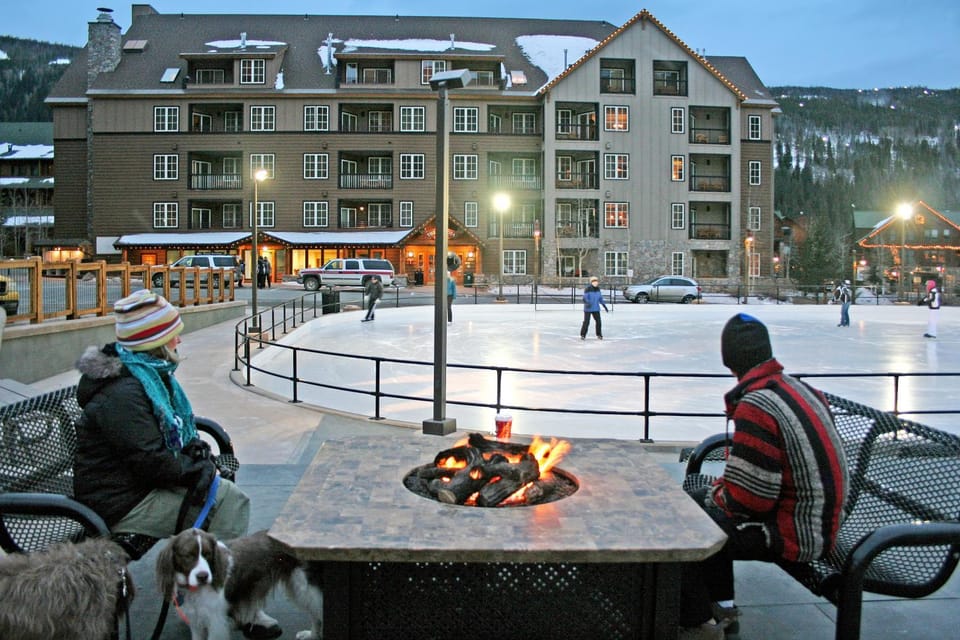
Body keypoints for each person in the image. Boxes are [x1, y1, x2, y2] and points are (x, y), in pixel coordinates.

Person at [679, 313, 848, 639]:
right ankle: (720, 605)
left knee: (686, 523)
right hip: (818, 519)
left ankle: (697, 623)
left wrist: (716, 494)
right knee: (694, 505)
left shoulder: (757, 404)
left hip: (797, 532)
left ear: (729, 359)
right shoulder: (796, 388)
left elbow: (751, 500)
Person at [73, 290, 251, 543]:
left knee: (225, 494)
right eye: (172, 335)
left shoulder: (143, 377)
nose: (178, 340)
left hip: (135, 486)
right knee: (229, 501)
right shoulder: (123, 393)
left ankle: (206, 569)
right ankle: (218, 576)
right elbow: (151, 459)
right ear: (153, 342)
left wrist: (196, 457)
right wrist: (198, 468)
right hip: (121, 503)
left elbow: (154, 451)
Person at [579, 276, 609, 340]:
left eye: (596, 281)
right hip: (588, 308)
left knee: (598, 321)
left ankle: (599, 334)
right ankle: (583, 335)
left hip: (596, 308)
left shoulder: (598, 289)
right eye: (594, 281)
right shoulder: (588, 289)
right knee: (586, 322)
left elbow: (600, 298)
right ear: (591, 282)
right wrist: (587, 303)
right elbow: (584, 298)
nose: (595, 283)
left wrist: (604, 305)